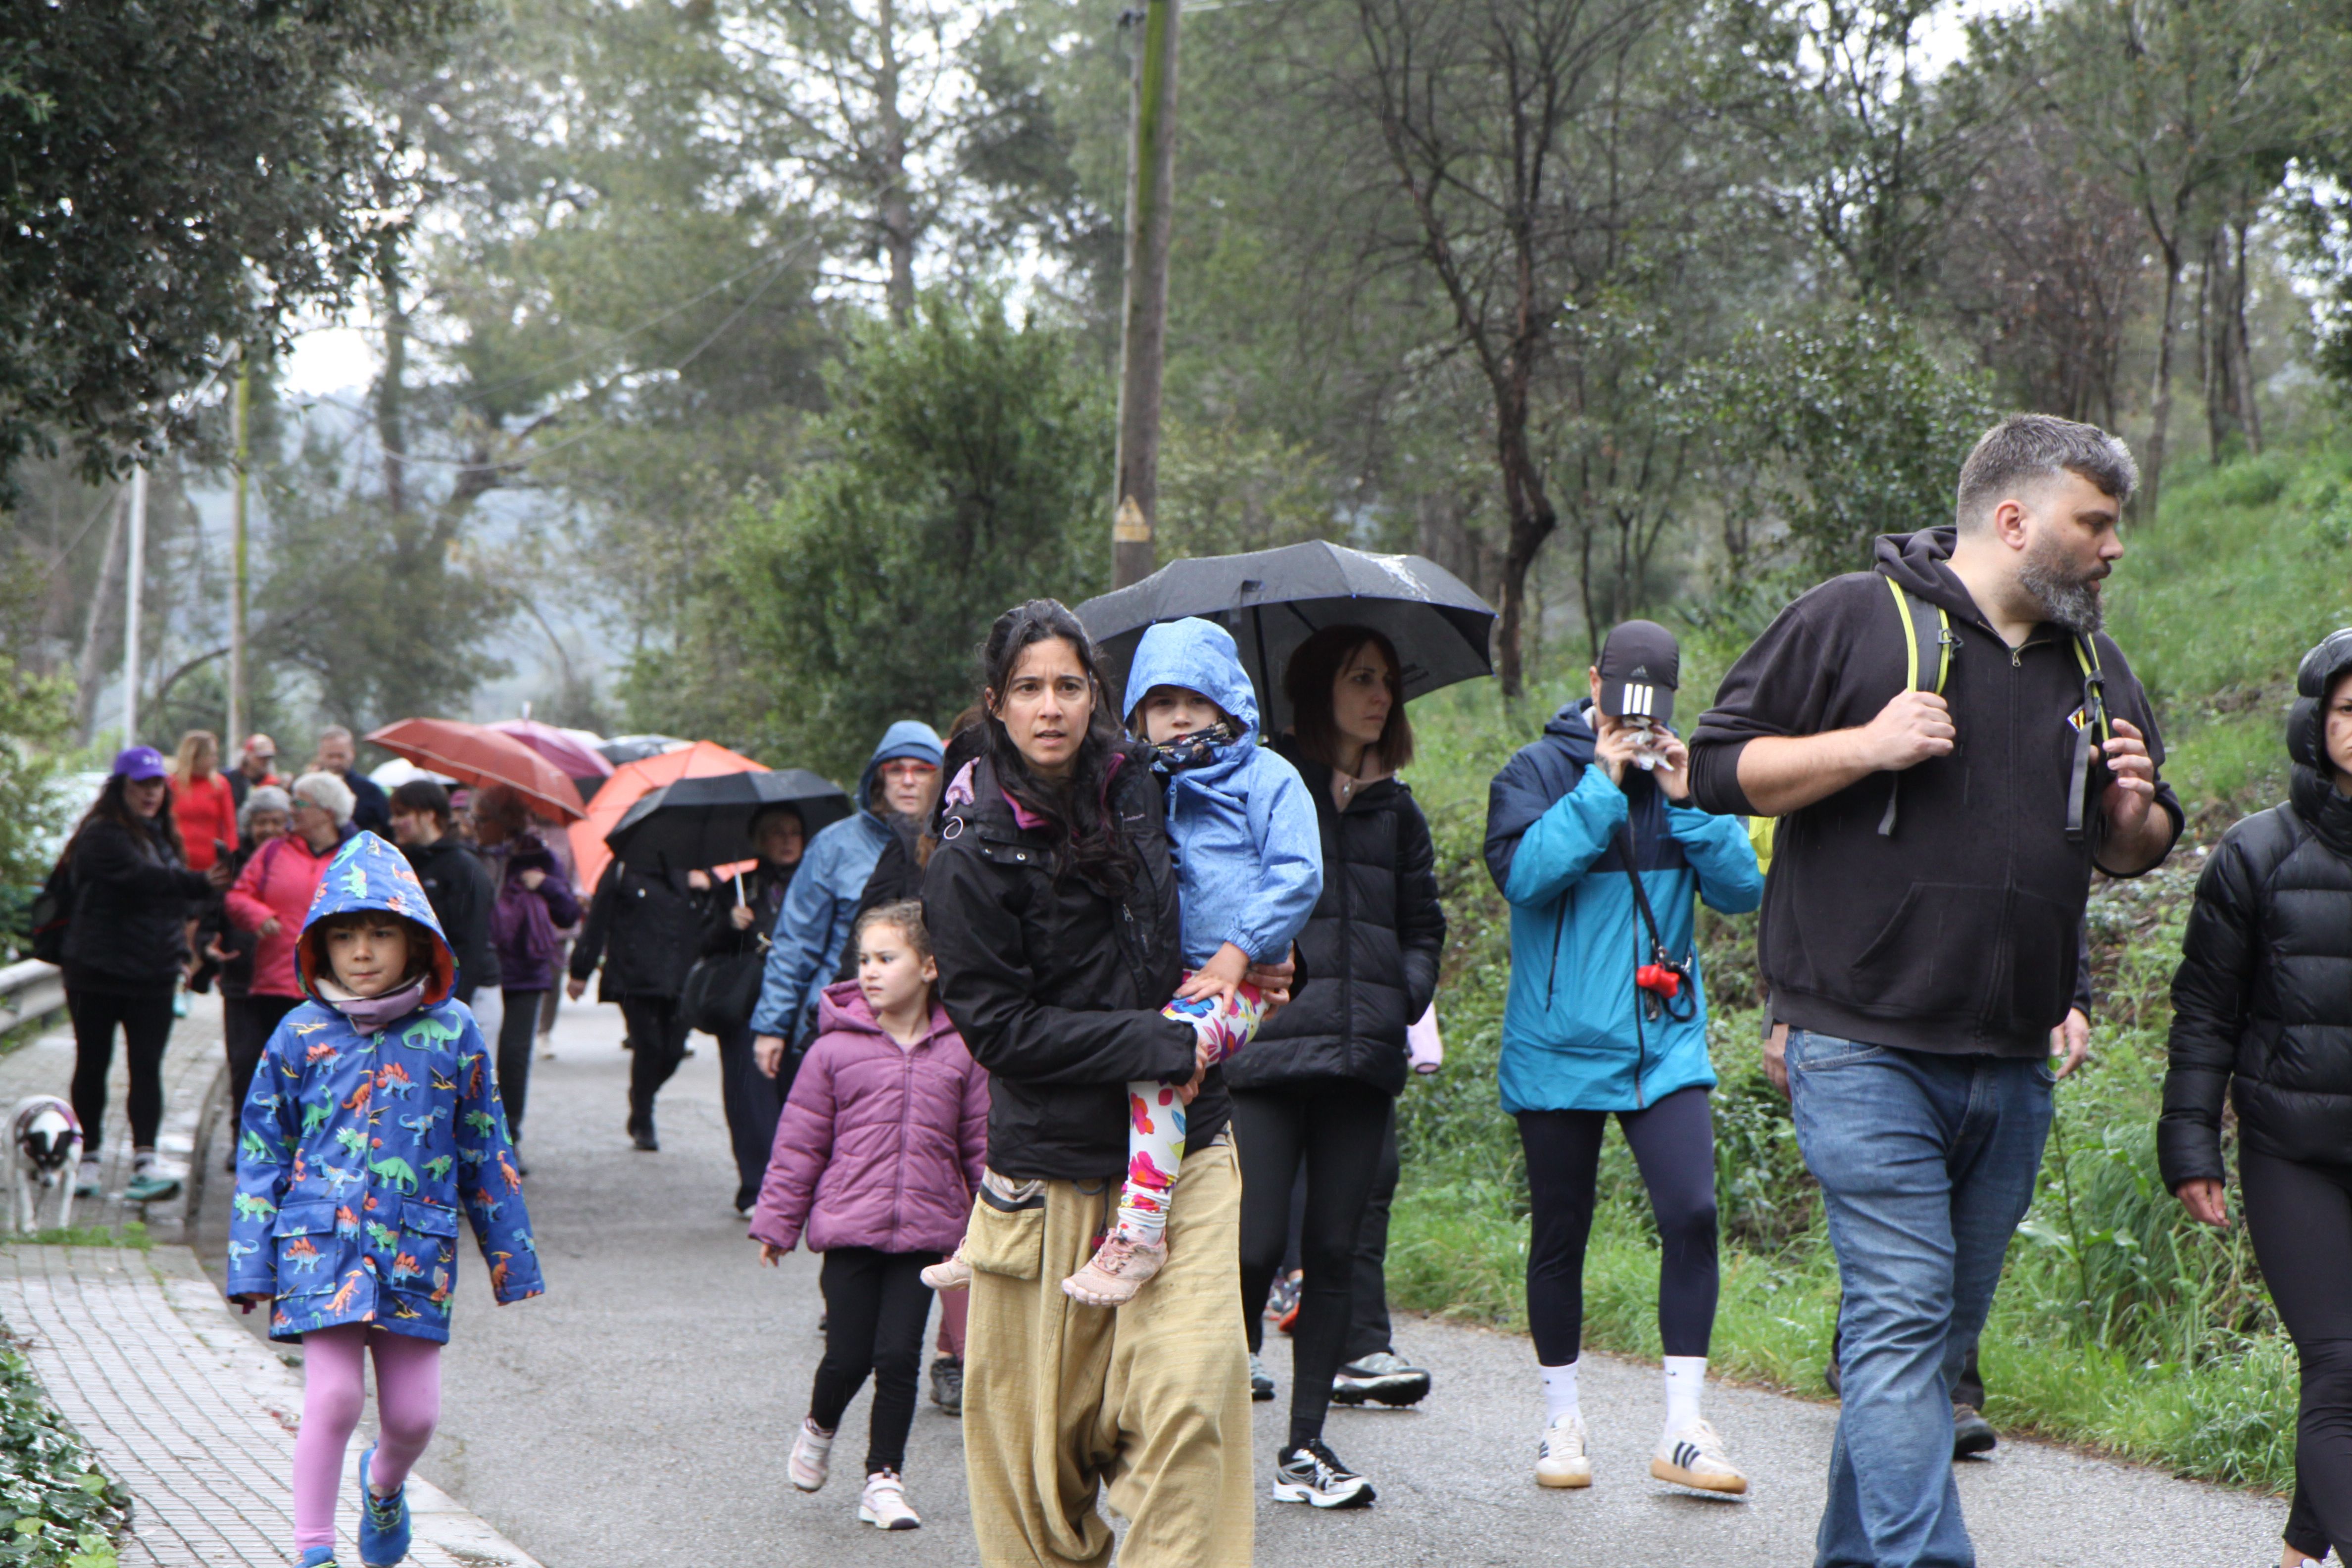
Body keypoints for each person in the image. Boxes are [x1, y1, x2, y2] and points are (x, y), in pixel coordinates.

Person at [1687, 413, 2181, 1568]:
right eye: (2091, 522)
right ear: (2011, 521)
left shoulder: (2092, 667)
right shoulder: (1851, 618)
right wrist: (1860, 744)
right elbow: (1715, 767)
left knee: (1916, 1340)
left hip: (2011, 1057)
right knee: (1904, 1320)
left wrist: (2129, 816)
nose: (2111, 548)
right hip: (1858, 1045)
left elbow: (2133, 845)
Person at [924, 599, 1295, 1563]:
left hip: (1187, 1160)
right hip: (1045, 1176)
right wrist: (1157, 1044)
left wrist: (1266, 960)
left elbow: (1253, 860)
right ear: (997, 704)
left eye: (1070, 686)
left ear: (1098, 698)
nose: (1052, 708)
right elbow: (1001, 1032)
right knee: (1038, 1489)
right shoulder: (970, 855)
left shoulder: (1148, 785)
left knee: (1186, 1414)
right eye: (1030, 689)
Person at [1485, 619, 1764, 1493]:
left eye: (1653, 702)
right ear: (1594, 680)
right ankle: (1559, 1420)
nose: (1635, 716)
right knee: (1561, 1229)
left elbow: (1742, 890)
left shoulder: (1684, 776)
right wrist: (1602, 783)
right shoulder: (1532, 772)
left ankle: (1683, 1427)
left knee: (1692, 1212)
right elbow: (1526, 876)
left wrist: (1687, 800)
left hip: (1663, 1040)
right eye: (1622, 695)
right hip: (1557, 1045)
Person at [224, 831, 543, 1568]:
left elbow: (484, 1150)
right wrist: (251, 1262)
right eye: (344, 937)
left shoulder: (453, 1031)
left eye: (380, 934)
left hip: (414, 1251)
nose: (362, 952)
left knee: (413, 1417)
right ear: (321, 947)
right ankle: (313, 1550)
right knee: (333, 1399)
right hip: (318, 1248)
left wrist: (511, 1259)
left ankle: (384, 1483)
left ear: (417, 943)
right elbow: (262, 1154)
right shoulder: (298, 1033)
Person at [1046, 617, 1321, 1308]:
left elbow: (1297, 874)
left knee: (1160, 1063)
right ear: (1139, 712)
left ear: (1228, 702)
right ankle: (1004, 1231)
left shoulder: (1268, 777)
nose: (1179, 719)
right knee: (1130, 1062)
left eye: (1196, 702)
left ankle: (1140, 1233)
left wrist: (1240, 952)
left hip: (1239, 977)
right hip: (1168, 982)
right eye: (1163, 705)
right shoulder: (1144, 784)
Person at [1227, 624, 1445, 1480]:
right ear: (1319, 687)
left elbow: (1422, 923)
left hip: (1361, 1060)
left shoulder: (1399, 810)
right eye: (1361, 677)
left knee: (1333, 1254)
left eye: (1387, 679)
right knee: (1248, 1250)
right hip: (1268, 1057)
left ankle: (1304, 1442)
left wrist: (1404, 989)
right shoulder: (1269, 790)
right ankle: (1213, 1404)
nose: (1379, 694)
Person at [2163, 628, 2352, 1568]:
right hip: (2293, 1150)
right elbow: (2205, 1010)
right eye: (2351, 710)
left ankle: (2297, 1550)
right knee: (2341, 1363)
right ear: (2314, 725)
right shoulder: (2256, 853)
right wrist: (2190, 1141)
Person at [755, 901, 987, 1533]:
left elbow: (980, 1147)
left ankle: (884, 1478)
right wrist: (778, 1225)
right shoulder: (832, 1051)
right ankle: (820, 1425)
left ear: (931, 967)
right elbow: (800, 1145)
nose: (871, 972)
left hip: (927, 1230)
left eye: (887, 959)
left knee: (899, 1355)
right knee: (849, 1356)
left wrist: (996, 1224)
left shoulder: (962, 1053)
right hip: (851, 1228)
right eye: (864, 959)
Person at [56, 747, 229, 1202]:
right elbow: (143, 879)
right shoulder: (101, 835)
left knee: (147, 1068)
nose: (151, 793)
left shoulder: (160, 833)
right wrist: (200, 883)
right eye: (141, 785)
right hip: (96, 970)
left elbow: (170, 896)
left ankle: (144, 1160)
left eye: (157, 785)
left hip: (152, 972)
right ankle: (87, 1157)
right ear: (120, 787)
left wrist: (195, 939)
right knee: (93, 1064)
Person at [750, 721, 943, 1074]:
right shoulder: (834, 845)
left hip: (934, 1028)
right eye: (896, 769)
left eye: (923, 770)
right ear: (879, 777)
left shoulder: (956, 843)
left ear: (940, 777)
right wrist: (772, 1026)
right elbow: (796, 941)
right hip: (843, 1017)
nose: (909, 780)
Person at [228, 773, 360, 1124]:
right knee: (264, 1074)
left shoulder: (356, 855)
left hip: (330, 991)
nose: (292, 811)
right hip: (272, 985)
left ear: (327, 812)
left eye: (300, 803)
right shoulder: (273, 850)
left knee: (323, 1079)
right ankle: (253, 1145)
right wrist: (259, 915)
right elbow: (239, 895)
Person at [700, 805, 804, 1216]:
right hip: (746, 1006)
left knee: (803, 1096)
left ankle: (800, 1187)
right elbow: (705, 946)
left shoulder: (815, 881)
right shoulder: (739, 887)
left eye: (794, 832)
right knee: (751, 1099)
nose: (787, 840)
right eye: (777, 832)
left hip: (801, 1004)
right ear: (760, 840)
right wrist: (730, 924)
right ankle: (757, 1188)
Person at [568, 856, 699, 1150]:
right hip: (633, 976)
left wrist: (709, 884)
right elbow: (598, 918)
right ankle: (643, 1117)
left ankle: (642, 1095)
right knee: (649, 1047)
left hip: (679, 975)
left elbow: (716, 914)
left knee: (675, 1050)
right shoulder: (622, 868)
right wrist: (581, 970)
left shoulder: (690, 868)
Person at [473, 785, 579, 1148]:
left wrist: (545, 884)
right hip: (480, 967)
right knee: (474, 1057)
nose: (475, 826)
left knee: (515, 1055)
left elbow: (568, 912)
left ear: (505, 821)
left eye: (483, 819)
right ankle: (473, 1135)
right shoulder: (473, 856)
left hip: (525, 969)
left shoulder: (539, 857)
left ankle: (510, 1135)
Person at [203, 784, 290, 1154]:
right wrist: (206, 943)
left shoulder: (293, 863)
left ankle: (279, 1142)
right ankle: (241, 1139)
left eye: (275, 821)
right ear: (248, 826)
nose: (268, 829)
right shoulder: (233, 864)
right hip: (241, 979)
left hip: (285, 981)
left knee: (285, 1068)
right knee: (243, 1063)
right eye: (260, 822)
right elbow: (212, 910)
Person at [391, 780, 500, 1008]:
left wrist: (454, 1005)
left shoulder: (464, 867)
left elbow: (471, 943)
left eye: (402, 815)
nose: (394, 823)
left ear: (429, 816)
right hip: (419, 991)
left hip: (467, 994)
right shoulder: (400, 863)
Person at [168, 730, 239, 874]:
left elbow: (230, 826)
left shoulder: (220, 785)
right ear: (195, 756)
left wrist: (232, 860)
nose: (216, 759)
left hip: (213, 866)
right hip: (178, 864)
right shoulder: (172, 784)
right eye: (211, 755)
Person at [313, 725, 391, 836]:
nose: (336, 762)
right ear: (321, 755)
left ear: (352, 753)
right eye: (331, 756)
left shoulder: (371, 791)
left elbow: (387, 831)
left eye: (341, 756)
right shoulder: (309, 790)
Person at [225, 732, 282, 809]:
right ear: (248, 755)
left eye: (268, 758)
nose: (265, 761)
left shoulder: (273, 784)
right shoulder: (230, 779)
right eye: (260, 757)